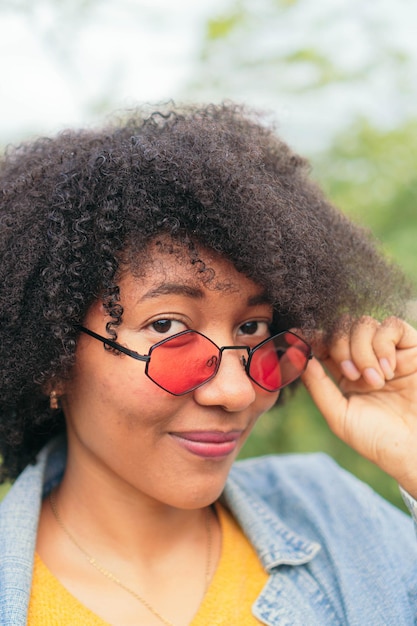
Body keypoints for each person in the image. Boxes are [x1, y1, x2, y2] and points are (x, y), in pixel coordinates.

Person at [0, 102, 416, 626]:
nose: (235, 392)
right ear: (53, 358)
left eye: (252, 329)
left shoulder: (335, 514)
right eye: (167, 328)